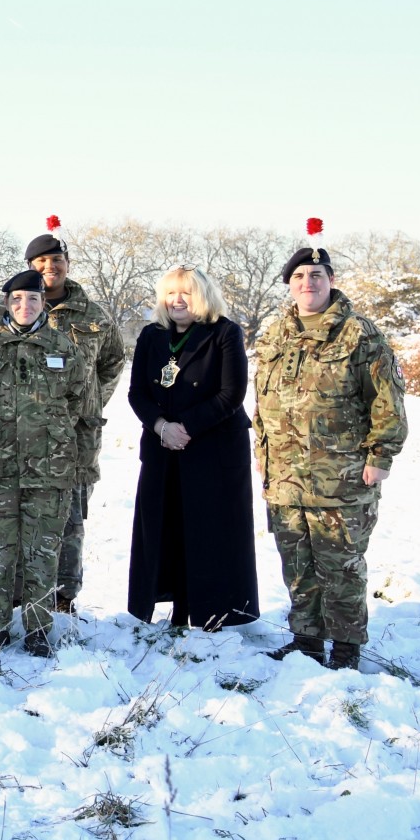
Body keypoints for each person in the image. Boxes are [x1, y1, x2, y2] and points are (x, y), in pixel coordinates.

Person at [253, 242, 408, 670]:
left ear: (331, 281)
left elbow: (387, 403)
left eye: (316, 276)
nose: (308, 283)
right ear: (289, 285)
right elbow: (262, 400)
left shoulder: (361, 333)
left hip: (342, 477)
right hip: (285, 478)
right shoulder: (274, 334)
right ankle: (306, 642)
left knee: (341, 568)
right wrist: (262, 455)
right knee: (298, 567)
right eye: (299, 277)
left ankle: (344, 650)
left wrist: (380, 456)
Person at [0, 220, 127, 614]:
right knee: (9, 519)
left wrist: (89, 404)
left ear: (67, 264)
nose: (49, 267)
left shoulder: (93, 314)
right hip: (9, 441)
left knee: (67, 518)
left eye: (56, 259)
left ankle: (62, 596)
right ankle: (18, 594)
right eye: (40, 261)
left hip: (74, 438)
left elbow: (111, 362)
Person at [124, 265, 260, 634]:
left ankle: (215, 613)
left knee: (208, 530)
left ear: (202, 296)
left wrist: (186, 427)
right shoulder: (152, 336)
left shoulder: (225, 333)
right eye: (170, 293)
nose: (177, 300)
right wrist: (161, 427)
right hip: (162, 447)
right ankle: (175, 607)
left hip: (212, 448)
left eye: (185, 292)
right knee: (166, 527)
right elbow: (137, 392)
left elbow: (231, 393)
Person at [0, 271, 88, 656]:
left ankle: (38, 631)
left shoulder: (64, 347)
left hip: (50, 470)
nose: (24, 306)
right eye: (16, 299)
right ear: (6, 303)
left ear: (42, 304)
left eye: (32, 299)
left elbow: (77, 399)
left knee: (42, 553)